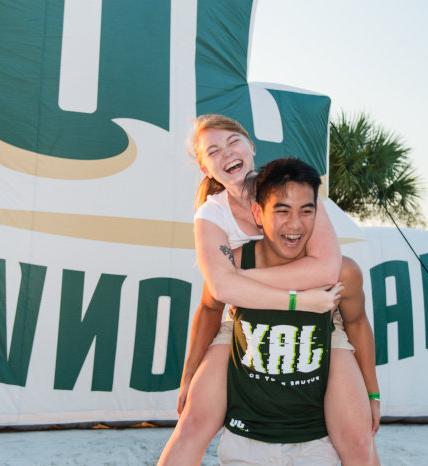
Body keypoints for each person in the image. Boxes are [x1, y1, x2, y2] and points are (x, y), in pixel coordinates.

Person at [158, 115, 379, 465]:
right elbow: (214, 300)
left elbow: (326, 268)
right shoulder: (211, 216)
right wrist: (189, 376)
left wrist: (240, 278)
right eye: (213, 150)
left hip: (320, 319)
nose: (227, 153)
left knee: (359, 440)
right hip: (244, 322)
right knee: (191, 425)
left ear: (250, 146)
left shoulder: (290, 187)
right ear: (204, 167)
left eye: (233, 142)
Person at [216, 157, 373, 465]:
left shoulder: (343, 273)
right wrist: (190, 375)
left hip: (316, 442)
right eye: (282, 210)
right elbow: (208, 310)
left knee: (362, 445)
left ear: (319, 214)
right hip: (248, 441)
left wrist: (373, 394)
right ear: (258, 213)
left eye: (306, 210)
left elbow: (357, 323)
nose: (295, 224)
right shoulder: (233, 263)